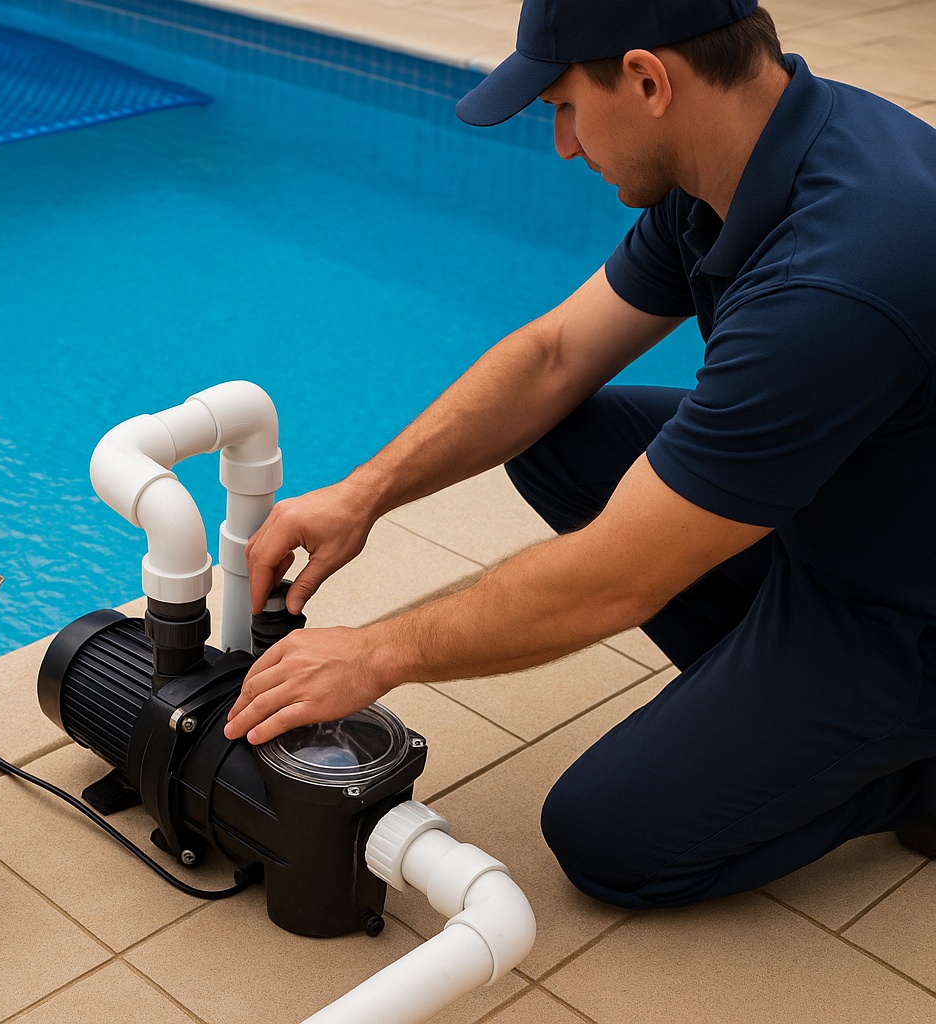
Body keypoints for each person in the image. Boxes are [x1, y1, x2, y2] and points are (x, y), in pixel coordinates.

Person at [223, 0, 936, 909]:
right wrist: (365, 493)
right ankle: (777, 700)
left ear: (647, 80)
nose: (562, 144)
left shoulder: (835, 278)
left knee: (609, 838)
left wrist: (374, 653)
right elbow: (554, 357)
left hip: (904, 610)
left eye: (564, 106)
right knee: (553, 438)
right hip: (850, 510)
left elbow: (618, 580)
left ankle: (914, 768)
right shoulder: (745, 155)